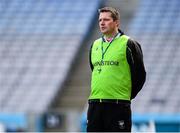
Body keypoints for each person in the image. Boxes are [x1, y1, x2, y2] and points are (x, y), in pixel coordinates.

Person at [87, 7, 146, 132]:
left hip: (118, 105)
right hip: (95, 105)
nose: (102, 23)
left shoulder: (129, 44)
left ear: (116, 22)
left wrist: (125, 96)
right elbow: (94, 70)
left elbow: (140, 75)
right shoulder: (94, 45)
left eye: (106, 20)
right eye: (100, 20)